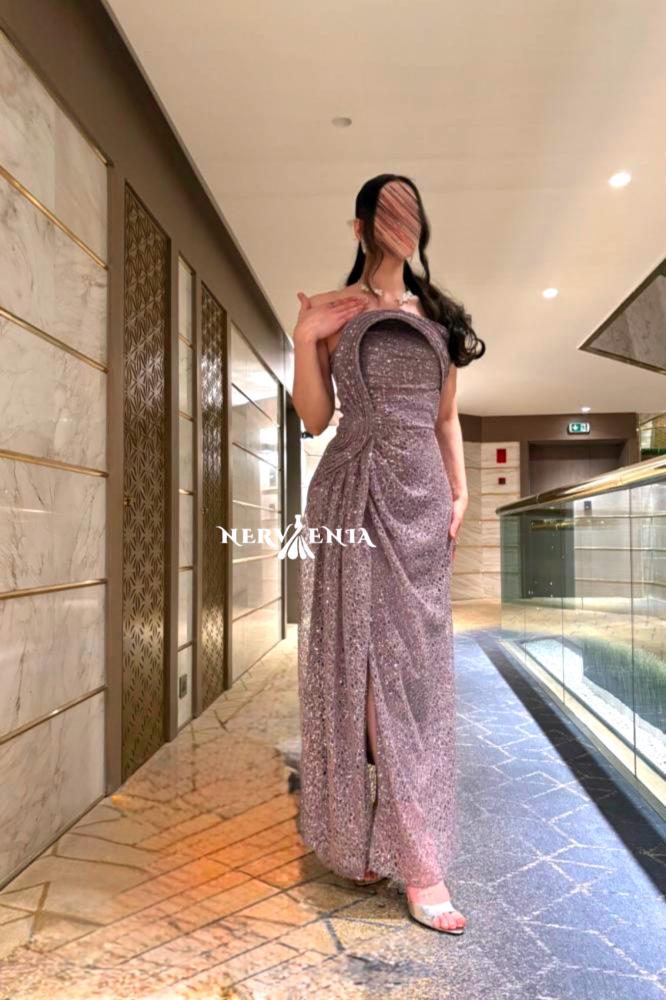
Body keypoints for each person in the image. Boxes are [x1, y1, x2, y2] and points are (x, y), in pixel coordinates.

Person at [292, 174, 485, 934]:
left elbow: (446, 418)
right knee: (364, 664)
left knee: (415, 674)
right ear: (361, 225)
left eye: (411, 209)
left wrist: (461, 492)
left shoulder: (440, 316)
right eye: (387, 209)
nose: (402, 221)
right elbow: (315, 419)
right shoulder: (334, 311)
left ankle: (383, 834)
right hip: (353, 492)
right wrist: (304, 337)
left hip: (423, 501)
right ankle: (419, 861)